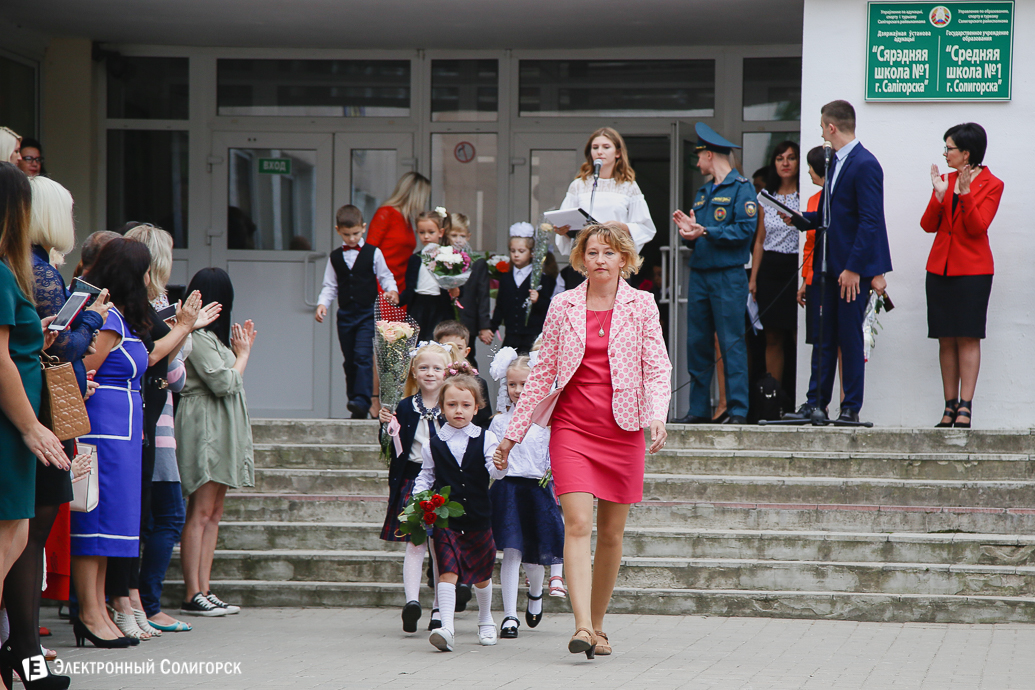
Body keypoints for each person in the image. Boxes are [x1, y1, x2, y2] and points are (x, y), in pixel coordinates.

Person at [495, 222, 670, 659]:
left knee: (611, 534)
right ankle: (582, 626)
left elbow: (657, 367)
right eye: (592, 252)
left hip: (623, 429)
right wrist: (513, 435)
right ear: (582, 259)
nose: (600, 260)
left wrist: (657, 415)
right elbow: (541, 375)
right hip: (572, 427)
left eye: (609, 253)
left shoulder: (642, 304)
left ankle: (599, 625)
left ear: (624, 259)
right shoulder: (563, 305)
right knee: (576, 524)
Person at [3, 175, 107, 686]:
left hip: (34, 413)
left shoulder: (23, 268)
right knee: (21, 534)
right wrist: (89, 321)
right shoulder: (26, 270)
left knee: (25, 534)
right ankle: (22, 652)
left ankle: (22, 652)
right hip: (29, 416)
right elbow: (46, 351)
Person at [125, 224, 218, 634]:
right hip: (153, 425)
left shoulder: (145, 304)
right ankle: (147, 603)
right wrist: (185, 329)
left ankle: (135, 601)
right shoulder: (149, 307)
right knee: (165, 516)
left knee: (147, 518)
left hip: (152, 421)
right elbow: (173, 375)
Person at [0, 162, 68, 687]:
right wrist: (30, 427)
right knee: (8, 540)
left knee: (16, 536)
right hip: (8, 426)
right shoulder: (2, 273)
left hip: (12, 420)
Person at [69, 237, 153, 650]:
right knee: (95, 522)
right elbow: (81, 370)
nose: (148, 280)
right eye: (144, 273)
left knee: (113, 526)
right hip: (101, 430)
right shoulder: (107, 319)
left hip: (123, 433)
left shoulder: (122, 316)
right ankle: (88, 611)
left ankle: (99, 608)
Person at [790, 100, 892, 423]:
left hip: (851, 270)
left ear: (831, 127)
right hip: (828, 266)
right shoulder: (833, 162)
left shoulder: (865, 164)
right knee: (823, 337)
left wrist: (854, 269)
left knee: (849, 337)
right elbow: (829, 214)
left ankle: (850, 407)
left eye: (822, 127)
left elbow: (870, 221)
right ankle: (815, 403)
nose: (822, 133)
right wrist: (798, 218)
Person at [175, 268, 256, 617]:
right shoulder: (197, 336)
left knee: (214, 512)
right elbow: (223, 383)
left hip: (221, 423)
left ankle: (205, 588)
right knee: (201, 510)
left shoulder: (214, 339)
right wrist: (244, 355)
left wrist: (238, 353)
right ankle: (192, 592)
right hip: (204, 422)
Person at [672, 123, 757, 425]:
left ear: (710, 155)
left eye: (699, 156)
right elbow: (699, 234)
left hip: (728, 276)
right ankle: (698, 409)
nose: (697, 163)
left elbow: (744, 230)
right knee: (697, 343)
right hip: (700, 274)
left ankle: (738, 410)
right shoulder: (703, 192)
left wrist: (706, 230)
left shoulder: (742, 188)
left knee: (731, 342)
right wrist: (689, 233)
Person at [416, 374, 507, 652]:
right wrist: (418, 499)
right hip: (446, 518)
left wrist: (500, 465)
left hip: (478, 516)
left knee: (481, 574)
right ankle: (447, 628)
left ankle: (485, 619)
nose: (459, 410)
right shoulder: (433, 443)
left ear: (476, 408)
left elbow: (495, 472)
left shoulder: (487, 437)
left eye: (466, 405)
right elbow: (426, 475)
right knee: (447, 571)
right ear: (441, 407)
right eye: (452, 404)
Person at [922, 123, 1002, 429]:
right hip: (939, 268)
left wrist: (965, 194)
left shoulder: (993, 184)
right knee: (945, 337)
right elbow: (928, 225)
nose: (945, 154)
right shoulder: (945, 180)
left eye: (950, 148)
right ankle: (949, 404)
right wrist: (938, 196)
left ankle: (966, 405)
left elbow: (977, 227)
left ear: (966, 153)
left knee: (968, 336)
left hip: (973, 271)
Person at [377, 341, 461, 633]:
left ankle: (439, 608)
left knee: (441, 547)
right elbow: (392, 447)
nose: (430, 373)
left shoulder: (452, 405)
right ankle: (412, 602)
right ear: (413, 371)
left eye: (437, 368)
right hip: (413, 480)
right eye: (423, 367)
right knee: (415, 544)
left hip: (444, 482)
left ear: (447, 372)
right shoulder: (404, 406)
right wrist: (385, 427)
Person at [487, 349, 564, 640]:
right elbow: (493, 458)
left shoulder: (547, 423)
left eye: (524, 384)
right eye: (512, 384)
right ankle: (509, 615)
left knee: (534, 555)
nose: (518, 390)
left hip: (537, 490)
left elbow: (553, 455)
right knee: (511, 552)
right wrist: (498, 465)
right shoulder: (499, 421)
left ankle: (535, 594)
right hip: (508, 490)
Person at [315, 204, 399, 419]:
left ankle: (362, 401)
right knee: (350, 359)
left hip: (367, 313)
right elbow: (330, 285)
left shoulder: (373, 253)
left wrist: (391, 291)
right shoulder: (335, 257)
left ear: (363, 228)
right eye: (347, 234)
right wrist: (323, 304)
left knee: (363, 356)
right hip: (345, 315)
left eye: (355, 233)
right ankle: (355, 403)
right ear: (338, 231)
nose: (352, 239)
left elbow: (386, 276)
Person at [551, 127, 657, 292]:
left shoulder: (629, 186)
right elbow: (567, 219)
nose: (600, 152)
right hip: (585, 261)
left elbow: (645, 227)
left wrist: (620, 226)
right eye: (595, 147)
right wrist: (563, 230)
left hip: (615, 260)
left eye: (606, 147)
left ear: (618, 153)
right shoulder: (579, 185)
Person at [749, 141, 801, 388]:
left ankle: (801, 395)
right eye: (780, 158)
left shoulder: (806, 195)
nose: (785, 163)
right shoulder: (765, 198)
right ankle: (774, 398)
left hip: (797, 267)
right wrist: (753, 278)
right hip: (770, 268)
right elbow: (760, 240)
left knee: (798, 333)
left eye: (791, 158)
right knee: (772, 336)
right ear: (774, 163)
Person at [491, 222, 557, 353]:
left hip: (532, 335)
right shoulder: (506, 278)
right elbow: (500, 306)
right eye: (513, 251)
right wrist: (492, 327)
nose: (516, 255)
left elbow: (549, 307)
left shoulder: (542, 278)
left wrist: (538, 300)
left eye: (521, 251)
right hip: (511, 335)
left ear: (531, 253)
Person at [365, 171, 431, 293]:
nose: (424, 202)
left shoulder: (407, 220)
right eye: (424, 197)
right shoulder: (386, 214)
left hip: (401, 284)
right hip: (382, 284)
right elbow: (369, 252)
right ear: (416, 196)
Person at [447, 212, 493, 366]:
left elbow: (483, 296)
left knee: (467, 356)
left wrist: (484, 326)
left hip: (468, 319)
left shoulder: (477, 263)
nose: (458, 240)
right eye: (454, 235)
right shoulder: (442, 259)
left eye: (462, 236)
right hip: (446, 316)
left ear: (468, 236)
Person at [400, 210, 454, 341]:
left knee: (437, 341)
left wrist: (455, 289)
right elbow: (409, 288)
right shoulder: (415, 259)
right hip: (418, 307)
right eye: (422, 232)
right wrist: (397, 300)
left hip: (439, 306)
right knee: (416, 342)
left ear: (440, 232)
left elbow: (457, 286)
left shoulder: (448, 256)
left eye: (431, 232)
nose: (426, 236)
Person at [433, 320, 492, 429]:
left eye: (459, 348)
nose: (453, 352)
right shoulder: (432, 380)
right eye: (447, 347)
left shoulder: (478, 383)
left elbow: (484, 421)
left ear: (467, 351)